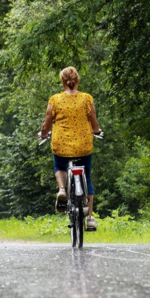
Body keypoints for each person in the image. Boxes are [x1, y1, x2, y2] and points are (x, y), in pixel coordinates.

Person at [38, 67, 102, 231]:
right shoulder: (87, 98)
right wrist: (97, 131)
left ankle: (61, 189)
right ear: (77, 80)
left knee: (59, 166)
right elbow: (94, 121)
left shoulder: (55, 99)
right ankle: (90, 218)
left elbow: (47, 121)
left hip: (61, 144)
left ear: (62, 81)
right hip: (83, 145)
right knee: (86, 175)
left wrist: (44, 133)